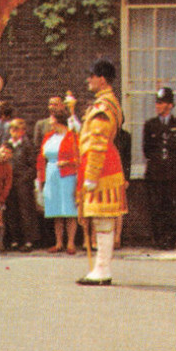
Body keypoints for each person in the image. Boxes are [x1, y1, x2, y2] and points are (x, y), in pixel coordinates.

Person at [76, 58, 126, 286]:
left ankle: (102, 269)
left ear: (102, 79)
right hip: (104, 165)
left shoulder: (103, 107)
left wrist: (91, 175)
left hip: (103, 167)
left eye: (91, 75)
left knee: (103, 219)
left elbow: (98, 142)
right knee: (100, 220)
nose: (88, 79)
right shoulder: (105, 103)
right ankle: (100, 267)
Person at [141, 87, 176, 250]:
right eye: (157, 102)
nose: (157, 105)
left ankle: (171, 240)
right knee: (156, 207)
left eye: (161, 102)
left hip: (173, 174)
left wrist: (172, 163)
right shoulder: (150, 125)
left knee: (172, 208)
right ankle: (159, 240)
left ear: (169, 105)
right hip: (155, 174)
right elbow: (147, 149)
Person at [37, 107, 79, 252]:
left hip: (67, 174)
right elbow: (41, 157)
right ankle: (59, 242)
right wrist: (40, 177)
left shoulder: (72, 136)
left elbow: (79, 157)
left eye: (52, 121)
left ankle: (71, 243)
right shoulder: (48, 136)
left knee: (69, 209)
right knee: (55, 209)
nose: (50, 123)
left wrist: (67, 162)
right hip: (51, 173)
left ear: (60, 122)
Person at [4, 118, 38, 251]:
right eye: (12, 129)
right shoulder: (7, 144)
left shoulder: (27, 145)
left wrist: (24, 179)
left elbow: (32, 167)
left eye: (17, 129)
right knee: (12, 210)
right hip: (10, 181)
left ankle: (28, 240)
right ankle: (14, 239)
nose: (14, 132)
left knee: (25, 211)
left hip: (23, 182)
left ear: (23, 131)